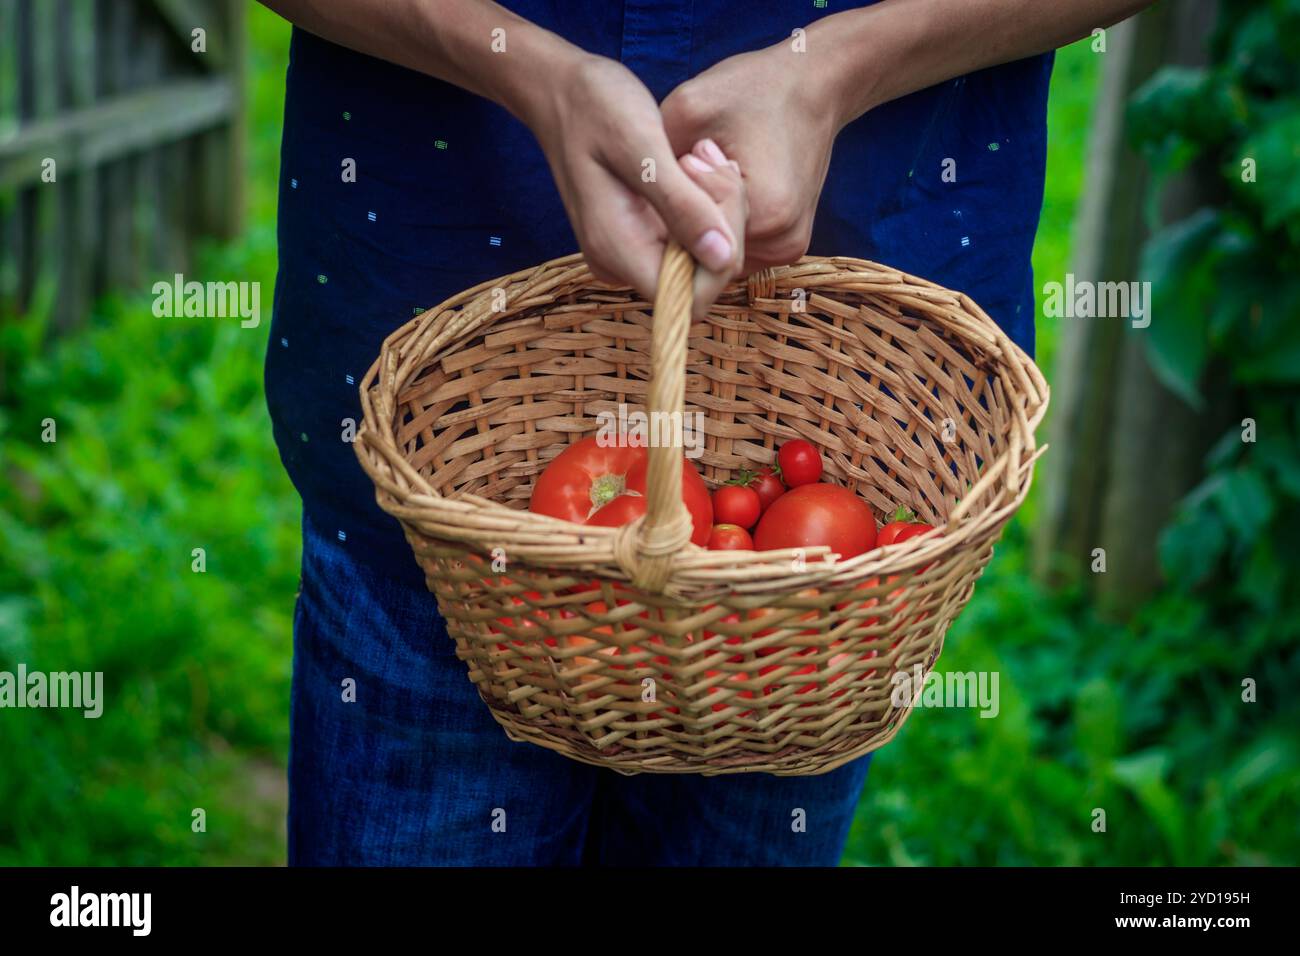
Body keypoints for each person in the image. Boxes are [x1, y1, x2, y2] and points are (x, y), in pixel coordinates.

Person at [259, 0, 1150, 866]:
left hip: (809, 567)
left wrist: (837, 69)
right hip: (446, 428)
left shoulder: (834, 481)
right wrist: (532, 73)